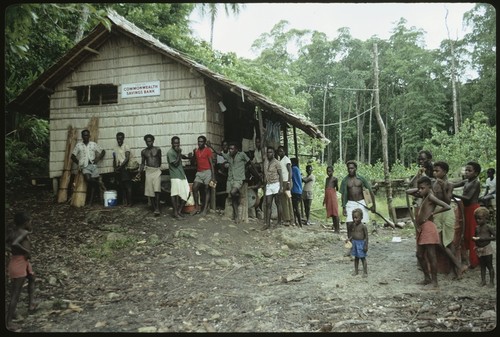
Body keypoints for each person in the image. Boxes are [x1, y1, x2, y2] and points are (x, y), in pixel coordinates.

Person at [406, 176, 451, 289]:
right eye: (419, 188)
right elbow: (407, 191)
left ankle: (435, 282)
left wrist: (434, 214)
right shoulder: (425, 195)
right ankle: (427, 278)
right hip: (422, 228)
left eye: (422, 188)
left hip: (429, 227)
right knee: (419, 255)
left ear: (429, 187)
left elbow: (447, 206)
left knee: (431, 255)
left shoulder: (431, 197)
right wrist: (420, 189)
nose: (420, 190)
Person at [6, 211, 37, 331]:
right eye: (30, 222)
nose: (31, 224)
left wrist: (13, 252)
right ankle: (8, 323)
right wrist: (26, 252)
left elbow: (9, 243)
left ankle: (31, 304)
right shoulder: (23, 232)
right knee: (15, 294)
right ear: (25, 223)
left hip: (20, 262)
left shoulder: (13, 232)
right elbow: (14, 243)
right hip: (19, 263)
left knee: (31, 278)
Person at [431, 161, 463, 278]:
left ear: (444, 172)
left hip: (447, 212)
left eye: (437, 171)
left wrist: (444, 188)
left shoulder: (449, 184)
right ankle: (457, 265)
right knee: (439, 242)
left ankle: (454, 270)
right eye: (434, 171)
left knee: (448, 241)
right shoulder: (433, 184)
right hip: (437, 212)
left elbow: (448, 202)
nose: (435, 173)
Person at [452, 161, 482, 269]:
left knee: (472, 234)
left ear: (476, 173)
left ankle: (475, 261)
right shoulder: (466, 181)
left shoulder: (476, 183)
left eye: (469, 170)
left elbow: (468, 198)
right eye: (466, 170)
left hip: (473, 209)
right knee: (465, 233)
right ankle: (467, 258)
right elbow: (454, 184)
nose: (467, 172)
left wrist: (453, 194)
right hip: (465, 209)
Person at [339, 160, 376, 239]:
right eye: (349, 168)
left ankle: (363, 243)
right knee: (349, 224)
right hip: (350, 203)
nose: (350, 170)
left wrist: (373, 205)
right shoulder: (345, 180)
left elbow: (370, 191)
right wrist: (344, 207)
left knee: (362, 224)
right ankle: (351, 244)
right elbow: (343, 195)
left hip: (361, 202)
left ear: (355, 168)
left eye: (352, 168)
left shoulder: (361, 179)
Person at [71, 129, 106, 206]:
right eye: (84, 135)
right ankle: (99, 183)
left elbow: (103, 151)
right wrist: (79, 163)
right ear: (82, 136)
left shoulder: (93, 144)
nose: (85, 137)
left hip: (93, 165)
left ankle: (90, 202)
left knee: (92, 185)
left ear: (89, 136)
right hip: (85, 166)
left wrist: (98, 158)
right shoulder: (79, 145)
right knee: (88, 179)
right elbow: (72, 156)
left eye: (87, 135)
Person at [221, 142, 253, 223]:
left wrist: (245, 171)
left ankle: (236, 216)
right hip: (230, 180)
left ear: (236, 150)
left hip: (239, 179)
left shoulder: (241, 155)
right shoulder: (229, 156)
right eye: (229, 149)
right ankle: (236, 216)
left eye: (232, 149)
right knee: (231, 196)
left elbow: (250, 163)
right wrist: (211, 147)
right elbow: (220, 154)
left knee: (233, 193)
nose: (230, 150)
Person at [136, 134, 162, 216]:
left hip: (156, 170)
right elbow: (143, 163)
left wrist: (157, 167)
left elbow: (160, 160)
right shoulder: (144, 152)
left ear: (153, 141)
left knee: (157, 190)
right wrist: (139, 172)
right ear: (145, 142)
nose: (149, 143)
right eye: (147, 142)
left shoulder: (158, 150)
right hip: (148, 171)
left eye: (150, 141)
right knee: (150, 191)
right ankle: (154, 208)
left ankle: (158, 208)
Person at [472, 207, 496, 287]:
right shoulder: (477, 228)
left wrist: (483, 239)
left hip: (487, 248)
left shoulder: (488, 227)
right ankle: (483, 281)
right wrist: (474, 240)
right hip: (479, 249)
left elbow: (495, 237)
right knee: (482, 266)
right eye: (476, 219)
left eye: (480, 219)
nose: (478, 221)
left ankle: (492, 282)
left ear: (486, 218)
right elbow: (475, 236)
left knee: (489, 266)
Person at [167, 136, 190, 219]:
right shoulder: (170, 152)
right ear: (172, 144)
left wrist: (188, 157)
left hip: (181, 175)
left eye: (178, 143)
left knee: (187, 192)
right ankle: (175, 213)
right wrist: (179, 153)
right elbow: (176, 163)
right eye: (175, 143)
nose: (177, 145)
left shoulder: (177, 151)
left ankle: (179, 211)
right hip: (175, 176)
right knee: (174, 193)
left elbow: (181, 157)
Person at [191, 135, 215, 216]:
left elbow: (211, 164)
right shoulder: (196, 151)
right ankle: (197, 207)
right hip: (199, 172)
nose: (199, 143)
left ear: (204, 143)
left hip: (207, 172)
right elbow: (194, 162)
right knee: (194, 187)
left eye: (201, 141)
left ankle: (205, 209)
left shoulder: (208, 150)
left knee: (207, 189)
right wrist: (193, 154)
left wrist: (213, 177)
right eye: (199, 141)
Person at [261, 147, 283, 230]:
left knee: (278, 203)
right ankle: (267, 224)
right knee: (268, 204)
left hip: (276, 184)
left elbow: (281, 175)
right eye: (268, 152)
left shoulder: (277, 163)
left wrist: (281, 187)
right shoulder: (266, 161)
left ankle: (279, 222)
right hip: (269, 185)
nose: (269, 154)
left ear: (274, 153)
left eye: (270, 152)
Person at [345, 208, 368, 277]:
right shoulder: (354, 225)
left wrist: (365, 245)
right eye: (353, 218)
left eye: (356, 218)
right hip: (354, 243)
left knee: (363, 258)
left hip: (361, 244)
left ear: (361, 217)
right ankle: (356, 271)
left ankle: (365, 272)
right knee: (356, 258)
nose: (355, 219)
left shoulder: (363, 226)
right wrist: (349, 239)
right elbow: (353, 234)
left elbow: (366, 237)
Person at [113, 132, 133, 206]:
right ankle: (125, 202)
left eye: (121, 139)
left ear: (123, 138)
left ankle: (130, 202)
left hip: (125, 168)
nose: (119, 140)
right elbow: (114, 158)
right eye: (118, 139)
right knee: (121, 186)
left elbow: (127, 158)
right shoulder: (115, 148)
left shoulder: (126, 146)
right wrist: (115, 167)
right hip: (119, 168)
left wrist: (120, 167)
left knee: (128, 186)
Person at [277, 146, 294, 225]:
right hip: (283, 181)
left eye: (281, 151)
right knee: (286, 200)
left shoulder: (286, 159)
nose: (280, 153)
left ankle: (288, 219)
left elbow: (290, 171)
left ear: (284, 152)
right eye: (279, 151)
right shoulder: (281, 160)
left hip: (286, 182)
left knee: (286, 200)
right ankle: (290, 219)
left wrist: (288, 182)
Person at [323, 165, 340, 233]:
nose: (328, 173)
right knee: (332, 213)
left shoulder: (335, 179)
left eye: (330, 171)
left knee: (335, 213)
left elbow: (337, 188)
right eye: (327, 171)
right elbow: (325, 188)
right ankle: (335, 227)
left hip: (332, 196)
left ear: (333, 171)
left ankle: (337, 229)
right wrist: (324, 199)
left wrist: (336, 183)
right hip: (328, 196)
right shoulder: (327, 179)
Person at [290, 157, 303, 227]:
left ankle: (299, 223)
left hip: (295, 190)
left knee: (295, 207)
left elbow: (290, 176)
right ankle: (296, 222)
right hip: (299, 191)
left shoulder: (293, 169)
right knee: (295, 207)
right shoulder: (297, 169)